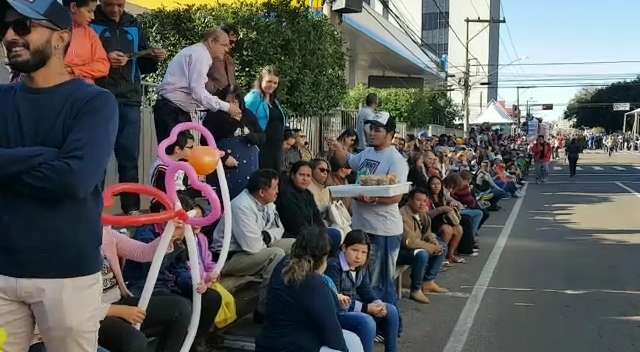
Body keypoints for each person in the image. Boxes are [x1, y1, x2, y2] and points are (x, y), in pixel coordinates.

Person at [0, 0, 118, 350]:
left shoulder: (94, 103)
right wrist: (44, 156)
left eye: (23, 26)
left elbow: (74, 180)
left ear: (60, 38)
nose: (9, 35)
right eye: (5, 27)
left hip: (67, 279)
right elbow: (65, 172)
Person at [92, 0, 166, 214]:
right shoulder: (90, 21)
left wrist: (153, 57)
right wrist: (105, 59)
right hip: (100, 97)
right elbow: (82, 57)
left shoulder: (134, 23)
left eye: (120, 5)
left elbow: (143, 64)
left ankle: (131, 209)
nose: (115, 10)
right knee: (97, 156)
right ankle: (92, 210)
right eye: (109, 5)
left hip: (130, 99)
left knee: (129, 158)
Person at [124, 195, 221, 352]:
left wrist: (196, 283)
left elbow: (180, 269)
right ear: (164, 213)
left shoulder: (182, 235)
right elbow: (151, 268)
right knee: (182, 307)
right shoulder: (146, 233)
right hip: (147, 288)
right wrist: (170, 239)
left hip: (170, 285)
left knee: (210, 297)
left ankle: (194, 343)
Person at [334, 112, 409, 306]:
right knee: (366, 284)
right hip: (363, 228)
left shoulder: (396, 160)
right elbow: (347, 161)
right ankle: (376, 327)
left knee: (380, 285)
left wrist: (373, 199)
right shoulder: (367, 153)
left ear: (390, 133)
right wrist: (338, 148)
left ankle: (390, 327)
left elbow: (396, 196)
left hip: (383, 231)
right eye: (370, 128)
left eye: (377, 129)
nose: (371, 133)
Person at [256, 226, 363, 352]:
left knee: (353, 340)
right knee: (349, 344)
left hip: (270, 342)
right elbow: (334, 336)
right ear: (324, 257)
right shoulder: (314, 282)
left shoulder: (283, 264)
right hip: (288, 346)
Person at [211, 169, 294, 319]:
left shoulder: (267, 202)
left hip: (256, 248)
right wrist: (266, 237)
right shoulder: (241, 206)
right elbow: (252, 246)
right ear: (262, 191)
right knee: (276, 254)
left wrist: (266, 236)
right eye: (275, 188)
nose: (277, 191)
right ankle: (265, 308)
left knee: (294, 246)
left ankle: (288, 296)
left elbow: (279, 229)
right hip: (230, 258)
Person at [98, 227, 191, 352]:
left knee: (182, 308)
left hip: (118, 300)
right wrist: (118, 311)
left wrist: (170, 235)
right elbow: (74, 309)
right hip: (93, 314)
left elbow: (143, 252)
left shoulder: (105, 233)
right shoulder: (67, 244)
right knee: (134, 341)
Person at [154, 29, 242, 143]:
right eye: (224, 45)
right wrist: (227, 107)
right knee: (175, 153)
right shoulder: (201, 55)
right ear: (211, 41)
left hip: (175, 108)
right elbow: (198, 91)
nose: (227, 49)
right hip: (172, 109)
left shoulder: (198, 53)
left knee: (180, 153)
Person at [326, 230, 400, 352]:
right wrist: (366, 308)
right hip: (338, 313)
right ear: (344, 248)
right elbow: (336, 301)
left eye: (363, 252)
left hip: (353, 307)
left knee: (390, 309)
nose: (359, 256)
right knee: (366, 322)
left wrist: (377, 302)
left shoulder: (360, 266)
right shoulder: (334, 266)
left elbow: (365, 289)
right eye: (354, 250)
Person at [202, 85, 264, 199]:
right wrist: (223, 157)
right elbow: (206, 144)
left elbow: (262, 136)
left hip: (248, 171)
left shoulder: (248, 115)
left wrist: (252, 137)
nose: (232, 105)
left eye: (235, 102)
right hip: (223, 170)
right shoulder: (213, 117)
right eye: (228, 102)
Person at [397, 189, 448, 304]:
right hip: (401, 251)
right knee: (422, 254)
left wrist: (434, 242)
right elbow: (409, 241)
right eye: (418, 200)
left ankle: (428, 281)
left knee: (442, 245)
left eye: (425, 201)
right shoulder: (403, 214)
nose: (422, 203)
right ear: (410, 200)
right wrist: (430, 247)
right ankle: (415, 290)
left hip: (415, 246)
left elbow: (427, 233)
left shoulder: (421, 213)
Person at [245, 65, 286, 172]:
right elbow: (244, 120)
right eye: (269, 81)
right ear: (261, 80)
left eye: (275, 83)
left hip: (276, 149)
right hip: (261, 149)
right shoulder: (254, 97)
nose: (272, 85)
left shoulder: (274, 100)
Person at [275, 161, 326, 239]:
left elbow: (317, 217)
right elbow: (296, 226)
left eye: (308, 176)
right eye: (301, 175)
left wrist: (323, 233)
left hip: (310, 232)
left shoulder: (308, 194)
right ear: (292, 175)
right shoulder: (286, 194)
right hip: (294, 236)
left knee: (333, 234)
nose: (305, 179)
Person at [62, 0, 109, 83]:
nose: (93, 16)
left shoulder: (90, 34)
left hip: (85, 91)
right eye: (89, 11)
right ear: (73, 7)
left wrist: (73, 70)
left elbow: (103, 66)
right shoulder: (51, 29)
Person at [426, 176, 465, 264]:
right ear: (429, 185)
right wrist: (441, 209)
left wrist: (453, 203)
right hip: (431, 222)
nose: (436, 186)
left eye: (438, 184)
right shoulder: (426, 197)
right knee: (447, 230)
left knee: (459, 229)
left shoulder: (443, 194)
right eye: (433, 184)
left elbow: (460, 205)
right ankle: (440, 258)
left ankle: (450, 255)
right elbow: (426, 215)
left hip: (442, 220)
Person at [205, 23, 237, 95]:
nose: (233, 45)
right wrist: (218, 92)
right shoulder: (207, 54)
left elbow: (232, 82)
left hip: (228, 100)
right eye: (231, 42)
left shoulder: (230, 59)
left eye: (234, 42)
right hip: (210, 100)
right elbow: (199, 78)